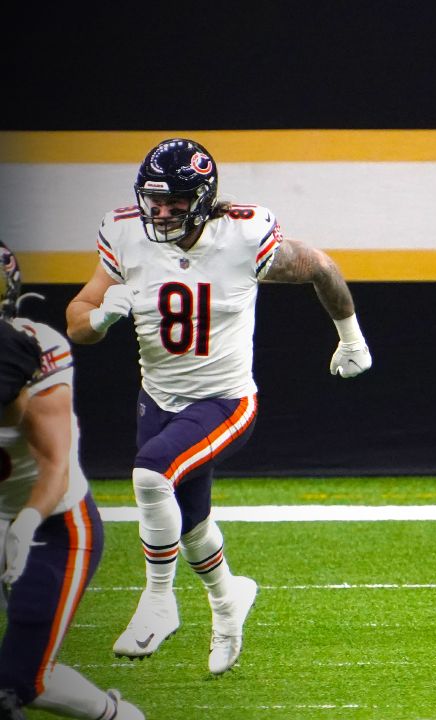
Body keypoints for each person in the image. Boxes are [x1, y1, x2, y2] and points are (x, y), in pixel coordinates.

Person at [65, 138, 373, 675]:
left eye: (176, 203)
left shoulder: (242, 235)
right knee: (190, 524)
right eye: (153, 201)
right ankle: (230, 601)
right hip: (158, 398)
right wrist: (98, 318)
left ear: (204, 199)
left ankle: (159, 600)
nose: (161, 214)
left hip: (225, 400)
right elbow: (78, 317)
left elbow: (321, 266)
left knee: (150, 474)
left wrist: (351, 340)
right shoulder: (124, 235)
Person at [0, 245, 144, 720]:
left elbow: (54, 464)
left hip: (51, 525)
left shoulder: (34, 350)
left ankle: (120, 717)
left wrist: (23, 525)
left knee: (24, 680)